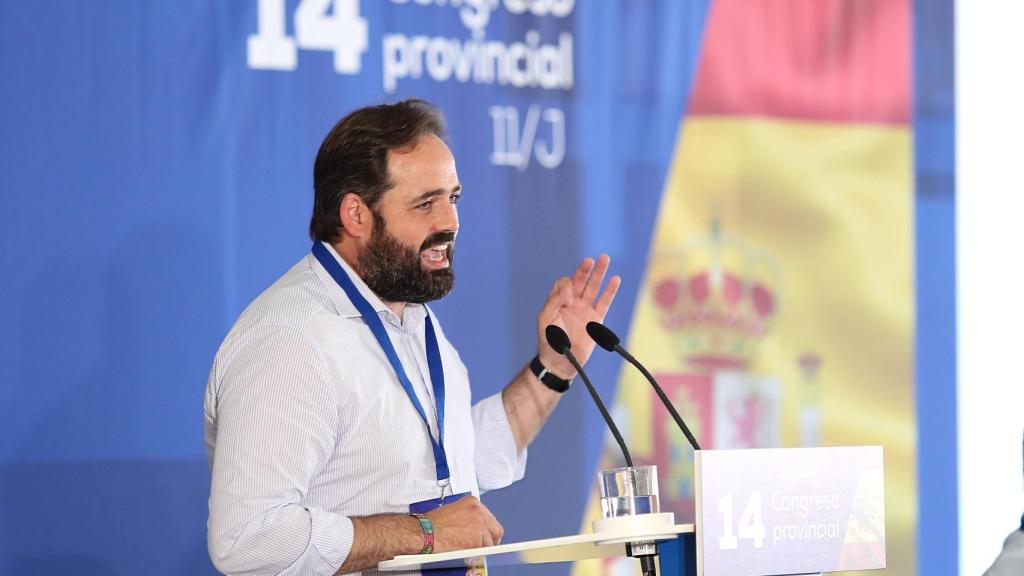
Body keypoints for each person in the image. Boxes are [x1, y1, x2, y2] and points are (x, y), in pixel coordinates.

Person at [204, 99, 620, 575]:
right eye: (425, 204)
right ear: (356, 215)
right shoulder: (290, 340)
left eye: (453, 198)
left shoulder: (411, 317)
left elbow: (455, 469)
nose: (451, 223)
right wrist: (427, 534)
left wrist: (552, 369)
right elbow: (247, 539)